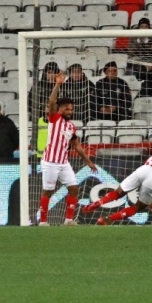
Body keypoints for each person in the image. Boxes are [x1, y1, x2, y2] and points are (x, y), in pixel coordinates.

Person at [38, 73, 98, 226]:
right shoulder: (54, 118)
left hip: (64, 163)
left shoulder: (71, 126)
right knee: (48, 192)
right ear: (60, 109)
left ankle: (69, 220)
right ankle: (43, 222)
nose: (70, 112)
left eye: (71, 109)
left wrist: (89, 162)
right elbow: (52, 101)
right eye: (67, 109)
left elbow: (76, 146)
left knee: (74, 189)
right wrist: (58, 84)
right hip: (50, 161)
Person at [82, 153, 152, 225]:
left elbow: (144, 180)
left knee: (118, 192)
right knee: (137, 207)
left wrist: (148, 202)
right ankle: (107, 219)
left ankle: (99, 202)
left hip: (144, 169)